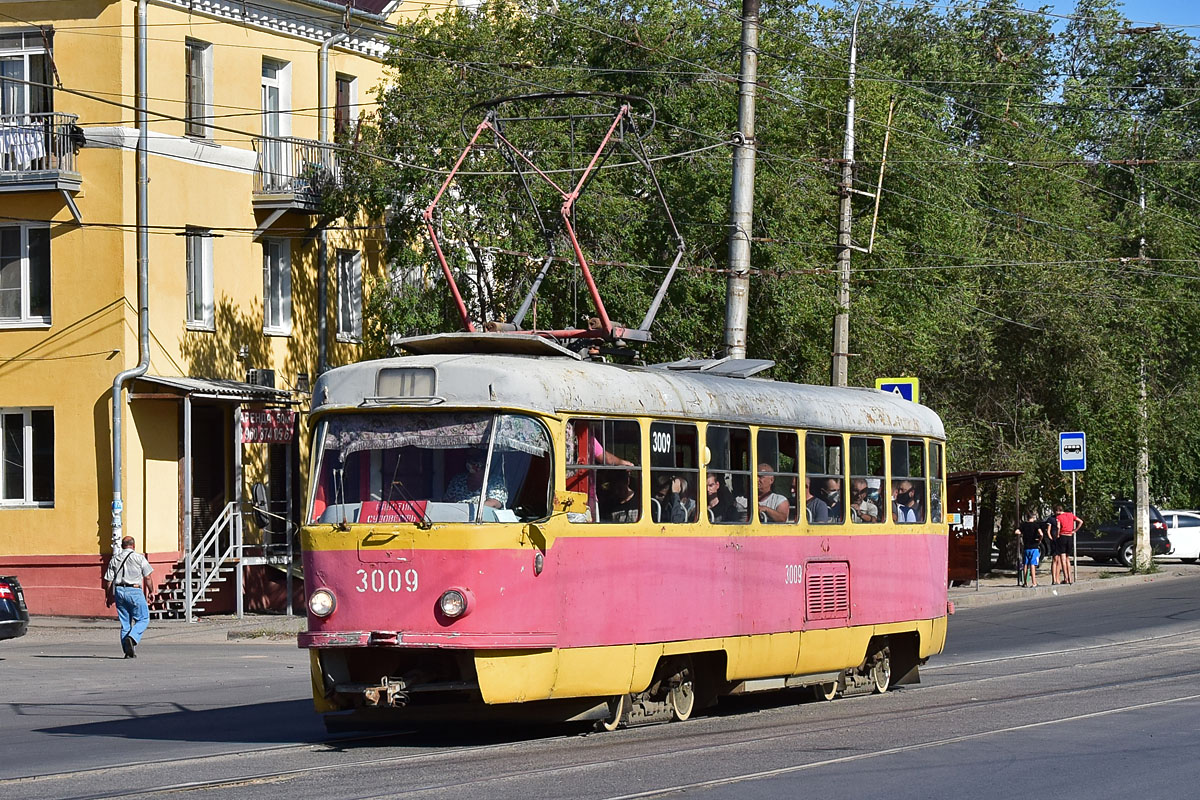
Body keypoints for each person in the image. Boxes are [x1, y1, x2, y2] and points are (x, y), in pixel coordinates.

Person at [102, 536, 154, 659]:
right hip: (134, 590)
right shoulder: (139, 558)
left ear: (121, 545)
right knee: (143, 618)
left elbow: (108, 581)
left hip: (119, 591)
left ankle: (128, 651)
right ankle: (133, 637)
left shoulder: (115, 559)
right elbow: (147, 577)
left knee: (125, 623)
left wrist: (108, 596)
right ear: (134, 545)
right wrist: (151, 591)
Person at [1054, 504, 1083, 585]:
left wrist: (1057, 535)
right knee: (1067, 558)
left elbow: (1059, 527)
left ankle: (1066, 578)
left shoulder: (1058, 517)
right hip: (1070, 536)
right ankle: (1070, 577)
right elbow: (1081, 521)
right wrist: (1075, 530)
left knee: (1063, 558)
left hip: (1062, 536)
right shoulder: (1070, 515)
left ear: (1057, 511)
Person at [1017, 509, 1043, 588]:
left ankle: (1025, 582)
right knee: (1033, 564)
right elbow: (1041, 533)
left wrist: (1022, 534)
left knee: (1025, 565)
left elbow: (1017, 531)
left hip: (1026, 547)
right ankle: (1034, 582)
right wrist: (1039, 540)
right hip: (1034, 547)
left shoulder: (1023, 525)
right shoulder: (1036, 525)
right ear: (1033, 517)